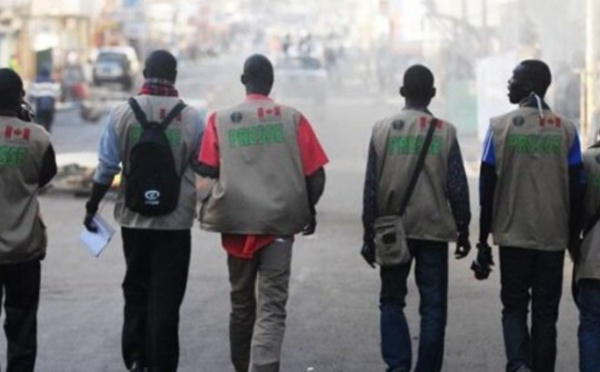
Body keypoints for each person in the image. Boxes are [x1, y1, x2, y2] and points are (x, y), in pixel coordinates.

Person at [196, 54, 328, 372]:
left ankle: (241, 367)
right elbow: (316, 175)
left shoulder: (220, 120)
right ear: (272, 83)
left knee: (241, 304)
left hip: (236, 228)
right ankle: (265, 366)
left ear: (244, 81)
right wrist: (307, 209)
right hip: (280, 227)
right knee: (272, 305)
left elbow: (204, 173)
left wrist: (210, 203)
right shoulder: (293, 119)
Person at [82, 50, 205, 372]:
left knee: (136, 288)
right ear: (174, 75)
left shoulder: (122, 113)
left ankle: (136, 358)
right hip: (175, 223)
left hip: (133, 220)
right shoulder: (191, 117)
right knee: (167, 298)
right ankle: (163, 363)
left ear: (144, 74)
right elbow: (204, 167)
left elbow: (107, 167)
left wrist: (93, 205)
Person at [360, 64, 471, 372]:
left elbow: (371, 186)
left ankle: (398, 366)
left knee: (391, 300)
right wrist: (463, 228)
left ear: (402, 92)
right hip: (434, 231)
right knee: (433, 308)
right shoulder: (445, 132)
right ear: (433, 94)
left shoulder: (382, 129)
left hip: (392, 231)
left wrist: (368, 234)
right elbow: (457, 186)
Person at [477, 59, 584, 372]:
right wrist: (572, 237)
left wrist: (483, 239)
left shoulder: (499, 126)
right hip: (553, 238)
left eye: (514, 78)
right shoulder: (567, 129)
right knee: (546, 312)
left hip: (513, 236)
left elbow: (487, 187)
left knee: (513, 306)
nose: (509, 84)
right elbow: (577, 187)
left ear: (530, 85)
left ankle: (519, 362)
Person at [0, 68, 57, 372]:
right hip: (23, 249)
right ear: (22, 98)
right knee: (22, 325)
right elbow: (44, 176)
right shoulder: (37, 137)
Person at [573, 142, 600, 372]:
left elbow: (575, 206)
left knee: (591, 326)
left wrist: (573, 246)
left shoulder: (587, 160)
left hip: (593, 257)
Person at [28, 67, 60, 132]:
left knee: (39, 126)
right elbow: (57, 94)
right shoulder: (52, 82)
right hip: (50, 108)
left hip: (40, 108)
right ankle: (47, 137)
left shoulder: (36, 81)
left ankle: (41, 137)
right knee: (48, 125)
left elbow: (32, 96)